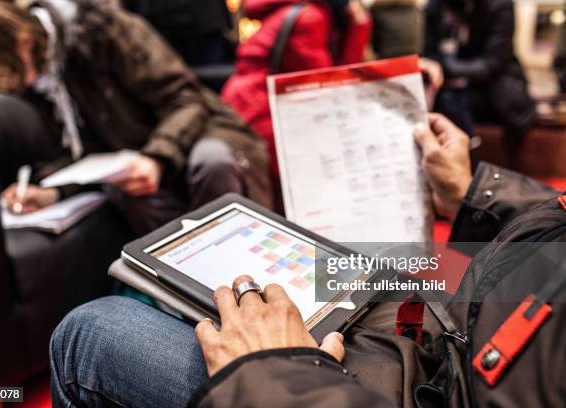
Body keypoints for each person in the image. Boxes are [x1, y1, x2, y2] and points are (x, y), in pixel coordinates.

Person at [50, 114, 565, 407]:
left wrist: (277, 371)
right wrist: (475, 192)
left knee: (92, 332)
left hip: (424, 382)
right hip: (448, 324)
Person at [0, 0, 271, 235]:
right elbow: (77, 155)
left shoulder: (104, 29)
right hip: (137, 158)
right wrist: (52, 191)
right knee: (129, 193)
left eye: (7, 75)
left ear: (22, 41)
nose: (11, 86)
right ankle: (187, 284)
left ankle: (238, 268)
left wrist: (155, 157)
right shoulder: (38, 82)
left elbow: (185, 99)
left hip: (202, 132)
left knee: (211, 161)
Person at [221, 0, 372, 188]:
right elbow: (327, 85)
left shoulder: (302, 9)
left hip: (249, 103)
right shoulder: (311, 17)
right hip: (263, 112)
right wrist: (359, 25)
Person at [424, 0, 536, 151]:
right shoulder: (436, 6)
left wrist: (444, 67)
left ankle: (466, 159)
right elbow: (429, 53)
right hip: (449, 88)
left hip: (494, 89)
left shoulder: (499, 5)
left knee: (453, 100)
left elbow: (492, 64)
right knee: (443, 99)